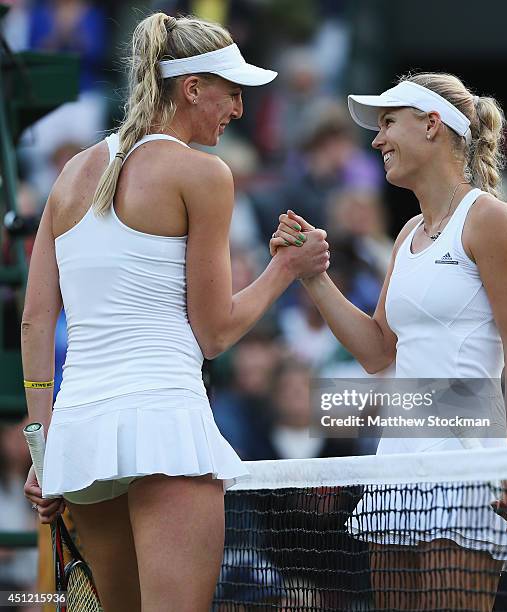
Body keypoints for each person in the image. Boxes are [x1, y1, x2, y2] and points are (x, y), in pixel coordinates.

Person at [21, 13, 330, 612]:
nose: (238, 109)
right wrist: (285, 270)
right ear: (192, 88)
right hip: (164, 425)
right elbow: (214, 334)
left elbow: (35, 320)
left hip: (82, 440)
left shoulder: (69, 174)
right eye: (232, 93)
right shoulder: (203, 173)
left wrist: (42, 446)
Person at [270, 73, 507, 610]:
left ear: (432, 125)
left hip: (467, 460)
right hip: (399, 456)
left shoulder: (489, 219)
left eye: (389, 122)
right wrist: (313, 275)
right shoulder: (405, 235)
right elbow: (375, 351)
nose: (377, 139)